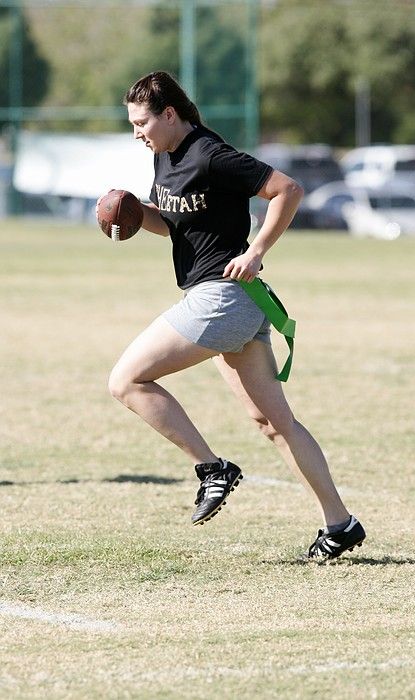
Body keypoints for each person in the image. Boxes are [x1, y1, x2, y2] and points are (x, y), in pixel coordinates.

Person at [101, 71, 365, 561]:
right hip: (229, 301)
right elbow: (175, 223)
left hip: (222, 298)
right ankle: (341, 524)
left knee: (127, 380)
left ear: (170, 114)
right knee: (272, 421)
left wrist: (257, 249)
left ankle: (212, 469)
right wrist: (137, 214)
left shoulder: (209, 153)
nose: (137, 132)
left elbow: (288, 189)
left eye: (142, 122)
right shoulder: (165, 156)